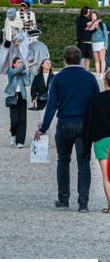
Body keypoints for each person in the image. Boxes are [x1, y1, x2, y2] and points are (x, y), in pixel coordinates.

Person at [35, 46, 100, 212]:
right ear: (79, 59)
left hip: (65, 123)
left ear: (64, 60)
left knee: (63, 160)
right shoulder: (90, 77)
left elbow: (51, 106)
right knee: (84, 162)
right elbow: (96, 104)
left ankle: (64, 199)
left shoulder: (58, 78)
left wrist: (43, 128)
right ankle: (83, 203)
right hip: (84, 125)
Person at [85, 71, 110, 213]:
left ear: (105, 82)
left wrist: (87, 141)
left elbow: (90, 122)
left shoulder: (95, 99)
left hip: (102, 138)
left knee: (107, 176)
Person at [5, 58, 35, 148]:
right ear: (14, 64)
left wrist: (25, 73)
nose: (20, 64)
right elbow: (15, 71)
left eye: (21, 62)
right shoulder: (11, 72)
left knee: (22, 120)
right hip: (13, 97)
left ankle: (20, 142)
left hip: (22, 97)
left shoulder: (22, 73)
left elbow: (28, 83)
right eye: (18, 62)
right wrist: (24, 66)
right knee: (14, 120)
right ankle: (13, 134)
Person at [0, 9, 27, 74]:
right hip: (8, 39)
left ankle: (20, 69)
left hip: (17, 39)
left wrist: (17, 40)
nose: (11, 19)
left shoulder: (18, 21)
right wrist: (4, 34)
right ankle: (7, 69)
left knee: (19, 53)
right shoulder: (7, 20)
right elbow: (5, 28)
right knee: (6, 54)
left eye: (12, 18)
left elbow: (20, 32)